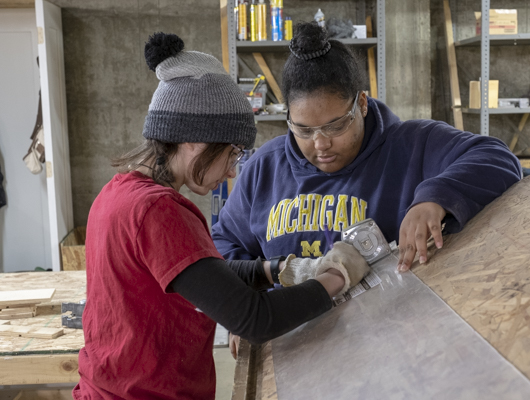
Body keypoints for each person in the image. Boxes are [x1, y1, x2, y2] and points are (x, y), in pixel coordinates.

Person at [72, 33, 370, 400]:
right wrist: (335, 277)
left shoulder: (118, 193)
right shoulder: (159, 212)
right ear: (194, 139)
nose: (232, 172)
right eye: (232, 154)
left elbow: (200, 275)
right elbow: (255, 320)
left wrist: (278, 270)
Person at [212, 21, 522, 272]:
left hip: (390, 335)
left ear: (361, 104)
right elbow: (225, 242)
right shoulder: (265, 167)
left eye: (335, 126)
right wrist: (247, 304)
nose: (320, 144)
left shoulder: (413, 144)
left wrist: (435, 199)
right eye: (303, 130)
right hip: (293, 335)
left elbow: (498, 158)